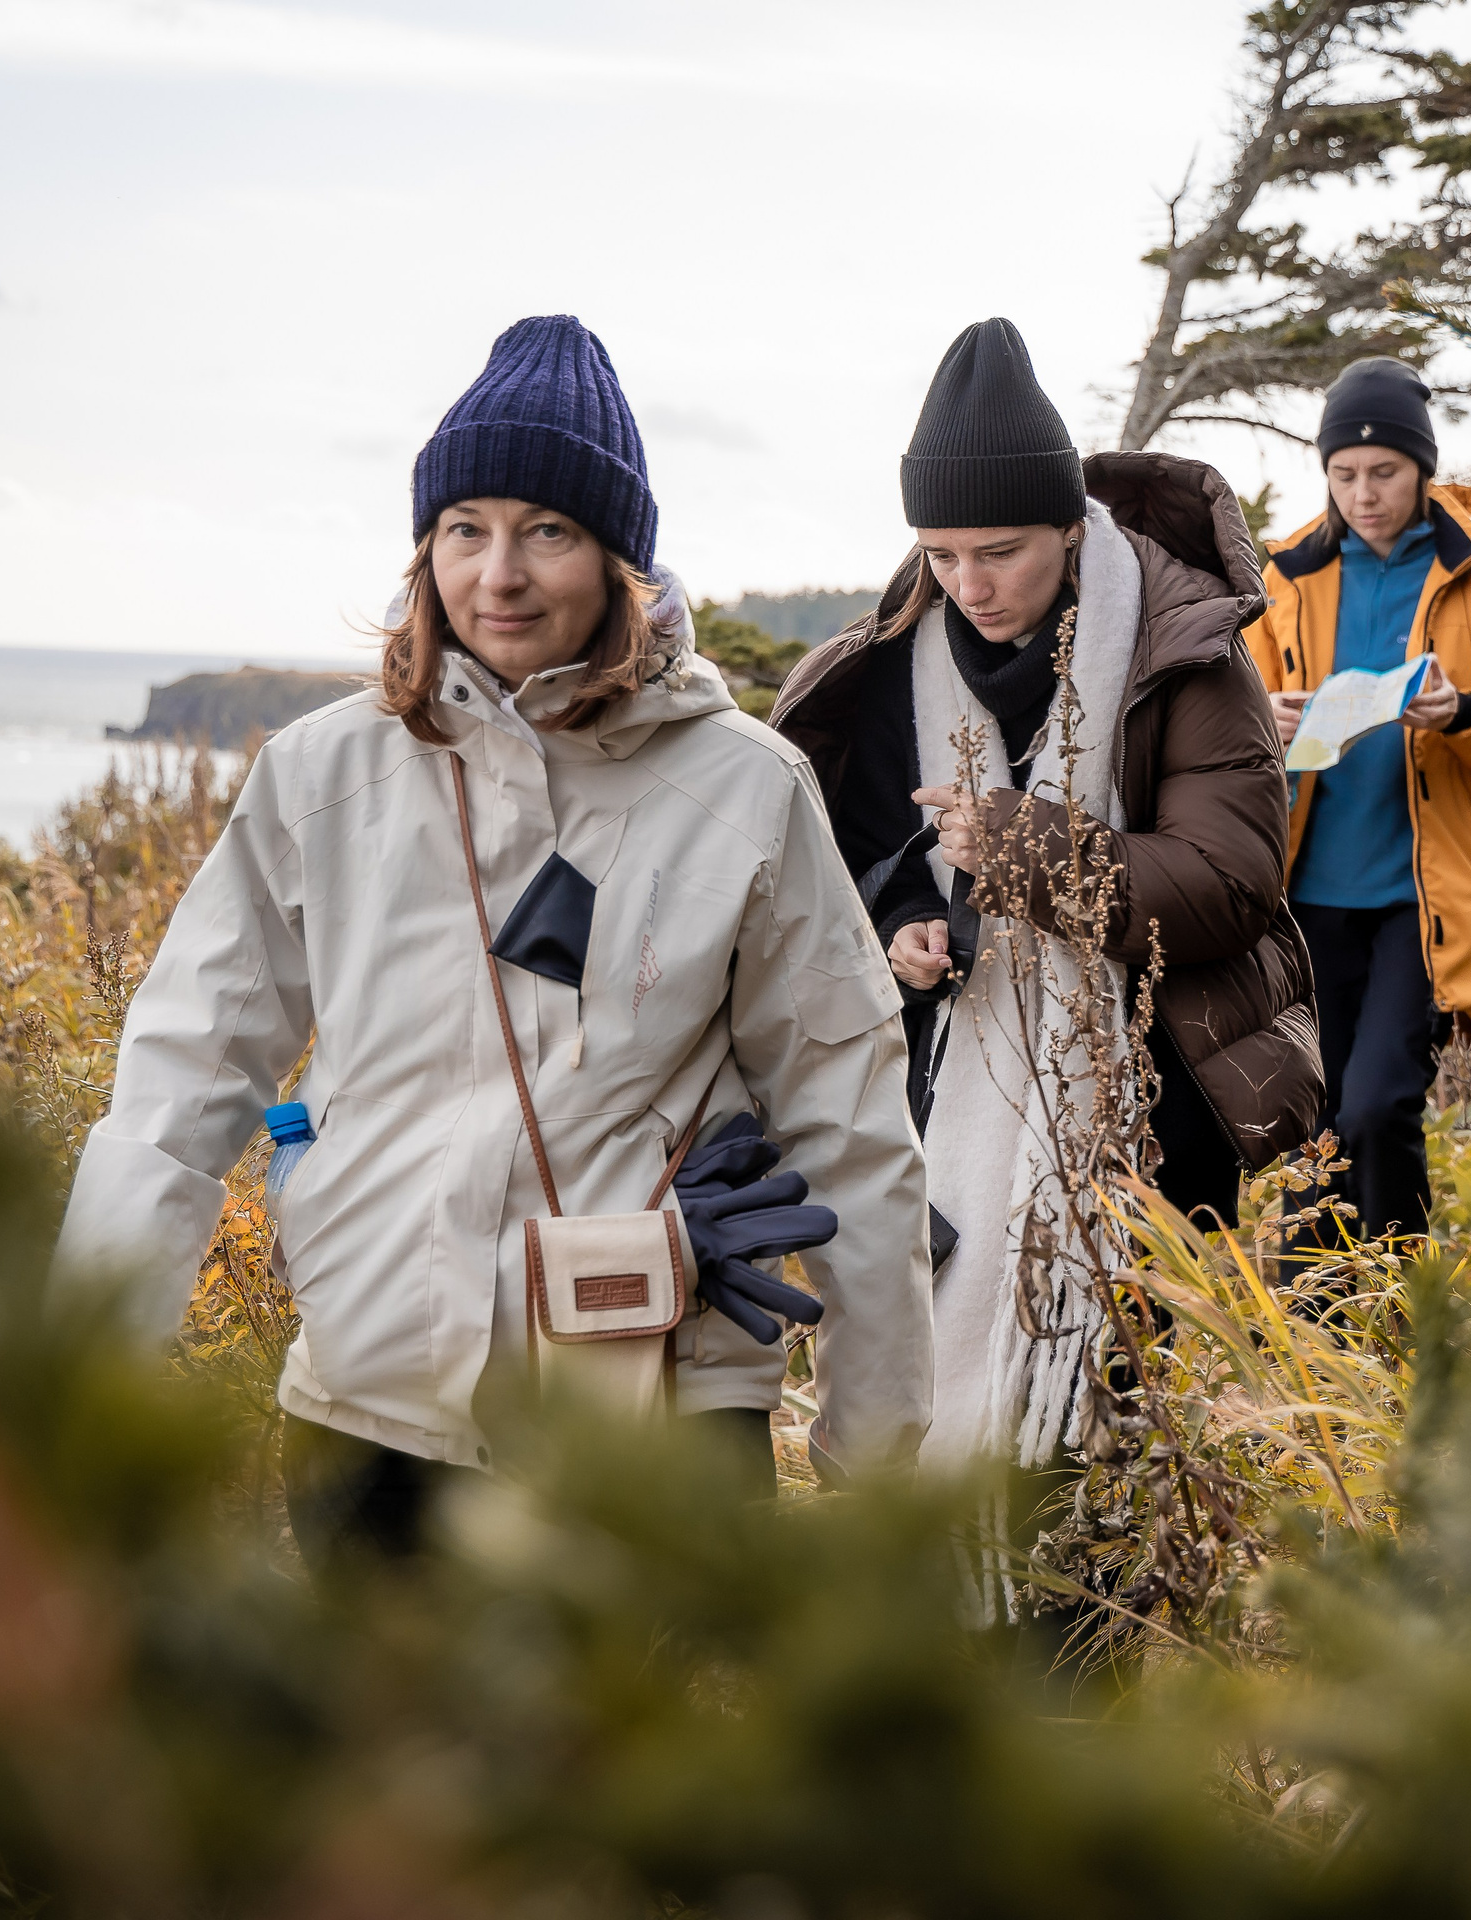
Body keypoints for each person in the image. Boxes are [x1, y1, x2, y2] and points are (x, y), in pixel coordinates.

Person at [57, 315, 933, 1571]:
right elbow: (183, 1075)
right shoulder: (322, 774)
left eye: (549, 531)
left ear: (621, 560)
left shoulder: (746, 788)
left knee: (643, 1773)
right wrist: (79, 1383)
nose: (499, 574)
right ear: (424, 552)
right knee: (392, 1766)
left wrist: (878, 1451)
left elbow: (851, 1117)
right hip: (376, 1401)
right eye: (465, 529)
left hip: (656, 1405)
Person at [772, 318, 1319, 1467]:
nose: (968, 585)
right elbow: (849, 871)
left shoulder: (1185, 654)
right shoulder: (885, 671)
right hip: (935, 1098)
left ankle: (1081, 1637)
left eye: (1002, 551)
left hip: (1142, 1107)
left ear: (1073, 531)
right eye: (942, 554)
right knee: (918, 1394)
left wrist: (1029, 852)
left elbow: (1232, 884)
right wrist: (900, 936)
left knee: (1104, 1433)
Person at [1240, 357, 1471, 1245]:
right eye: (1343, 475)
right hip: (1305, 898)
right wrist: (1256, 723)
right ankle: (1320, 1340)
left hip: (1423, 905)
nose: (1363, 494)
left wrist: (1466, 713)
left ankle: (1393, 1318)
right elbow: (1225, 738)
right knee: (1313, 1122)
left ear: (1422, 468)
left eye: (1383, 472)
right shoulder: (1284, 578)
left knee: (1380, 1105)